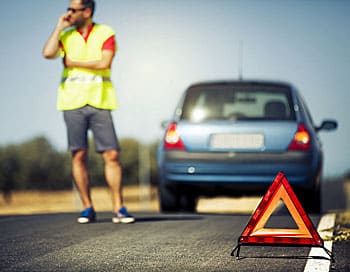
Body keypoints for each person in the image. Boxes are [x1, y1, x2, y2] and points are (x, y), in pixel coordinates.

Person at [42, 0, 134, 224]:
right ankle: (87, 208)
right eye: (68, 9)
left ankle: (118, 208)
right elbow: (48, 53)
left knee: (112, 155)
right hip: (71, 102)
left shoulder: (105, 32)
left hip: (100, 101)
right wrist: (58, 28)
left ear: (87, 11)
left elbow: (105, 62)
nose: (69, 13)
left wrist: (73, 61)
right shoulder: (66, 36)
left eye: (73, 10)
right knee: (79, 154)